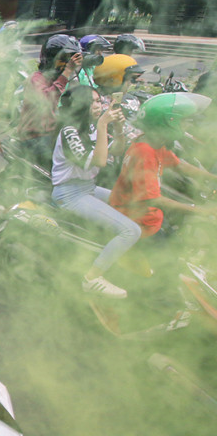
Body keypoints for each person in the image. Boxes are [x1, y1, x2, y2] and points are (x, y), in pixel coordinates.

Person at [51, 85, 139, 298]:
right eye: (93, 101)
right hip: (69, 194)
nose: (99, 105)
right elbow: (99, 160)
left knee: (134, 204)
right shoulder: (70, 131)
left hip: (87, 188)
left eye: (100, 101)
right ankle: (91, 278)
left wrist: (117, 127)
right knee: (131, 231)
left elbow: (116, 150)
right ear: (81, 104)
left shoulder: (91, 127)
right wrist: (103, 124)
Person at [110, 93, 217, 238]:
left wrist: (213, 177)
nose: (188, 125)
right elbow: (154, 199)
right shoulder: (145, 153)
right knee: (171, 251)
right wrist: (200, 210)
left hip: (149, 215)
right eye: (184, 121)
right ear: (169, 122)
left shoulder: (154, 143)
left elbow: (179, 166)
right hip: (138, 220)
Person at [16, 34, 82, 169]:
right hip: (36, 137)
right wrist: (67, 72)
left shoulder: (62, 79)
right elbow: (47, 101)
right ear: (51, 58)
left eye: (70, 60)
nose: (66, 64)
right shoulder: (37, 78)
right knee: (58, 168)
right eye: (63, 59)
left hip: (53, 133)